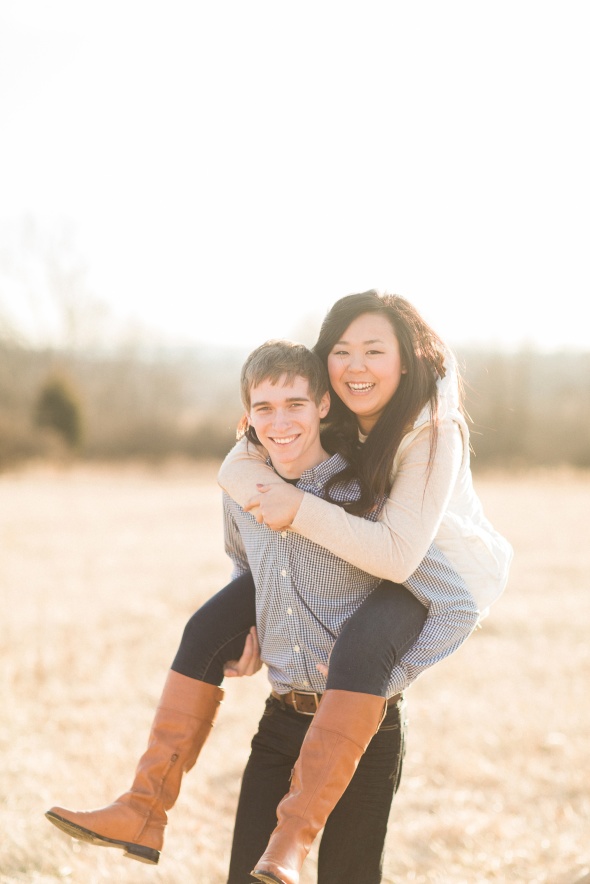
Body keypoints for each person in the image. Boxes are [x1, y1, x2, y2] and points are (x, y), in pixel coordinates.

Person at [45, 337, 481, 883]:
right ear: (247, 416)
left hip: (364, 734)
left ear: (323, 406)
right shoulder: (243, 486)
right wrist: (248, 627)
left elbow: (454, 603)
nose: (281, 423)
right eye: (265, 408)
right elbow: (242, 562)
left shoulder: (362, 494)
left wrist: (393, 677)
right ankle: (143, 808)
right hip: (282, 721)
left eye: (296, 404)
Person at [218, 292, 513, 884]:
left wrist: (376, 686)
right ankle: (144, 804)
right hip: (284, 713)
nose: (357, 365)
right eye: (342, 351)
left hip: (429, 575)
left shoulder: (434, 432)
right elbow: (243, 465)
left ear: (406, 361)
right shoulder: (327, 420)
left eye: (374, 351)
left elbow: (403, 558)